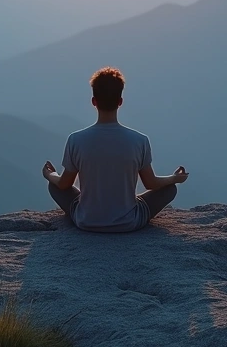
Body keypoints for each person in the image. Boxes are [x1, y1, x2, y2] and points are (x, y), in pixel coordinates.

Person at [41, 66, 188, 232]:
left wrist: (49, 175)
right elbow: (151, 183)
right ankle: (124, 204)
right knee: (169, 189)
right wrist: (174, 178)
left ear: (93, 101)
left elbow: (63, 184)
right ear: (120, 102)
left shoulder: (76, 140)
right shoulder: (139, 140)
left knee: (52, 186)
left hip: (85, 221)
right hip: (129, 223)